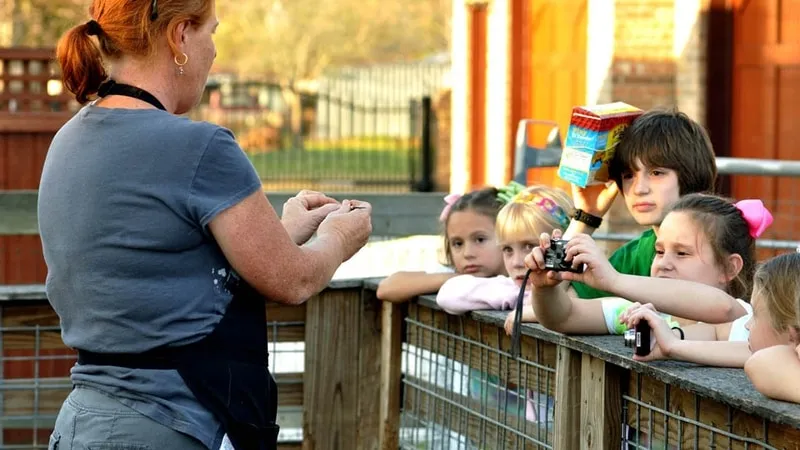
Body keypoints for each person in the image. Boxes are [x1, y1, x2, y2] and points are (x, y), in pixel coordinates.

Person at [38, 1, 372, 449]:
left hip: (84, 422)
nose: (213, 51)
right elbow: (291, 281)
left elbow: (155, 270)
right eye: (211, 33)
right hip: (169, 425)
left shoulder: (69, 141)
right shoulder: (199, 145)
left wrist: (281, 231)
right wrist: (337, 238)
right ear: (179, 36)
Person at [524, 194, 770, 344]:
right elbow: (562, 316)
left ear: (729, 268)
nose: (664, 263)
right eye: (659, 251)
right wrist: (544, 287)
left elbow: (722, 306)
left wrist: (613, 280)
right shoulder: (638, 311)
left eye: (682, 253)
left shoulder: (746, 318)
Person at [561, 108, 718, 299]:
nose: (639, 189)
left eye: (656, 173)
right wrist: (585, 217)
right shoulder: (635, 253)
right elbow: (560, 303)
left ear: (691, 175)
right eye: (628, 175)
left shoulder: (719, 242)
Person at [433, 184, 573, 335]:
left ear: (561, 242)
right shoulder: (511, 287)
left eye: (529, 246)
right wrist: (517, 299)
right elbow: (448, 295)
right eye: (507, 249)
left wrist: (532, 310)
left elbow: (562, 309)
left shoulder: (577, 283)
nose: (517, 263)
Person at [376, 186, 507, 302]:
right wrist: (456, 279)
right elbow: (386, 288)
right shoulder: (451, 275)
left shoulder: (520, 286)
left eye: (480, 240)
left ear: (509, 235)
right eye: (458, 243)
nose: (467, 253)